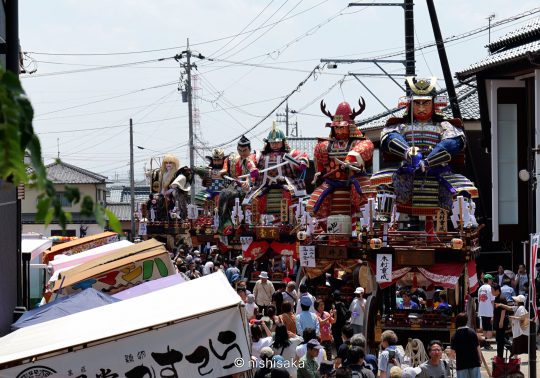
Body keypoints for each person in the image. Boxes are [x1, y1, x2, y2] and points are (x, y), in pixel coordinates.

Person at [371, 77, 478, 220]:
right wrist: (408, 152)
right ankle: (382, 223)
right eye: (417, 103)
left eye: (426, 103)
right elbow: (388, 137)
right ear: (410, 104)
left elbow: (454, 142)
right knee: (383, 183)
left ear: (434, 103)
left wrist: (428, 161)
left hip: (439, 172)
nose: (421, 108)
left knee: (464, 190)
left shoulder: (444, 125)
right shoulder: (401, 126)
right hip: (407, 173)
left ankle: (465, 226)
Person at [308, 99, 374, 224]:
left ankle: (364, 228)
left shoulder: (359, 142)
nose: (339, 131)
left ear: (350, 127)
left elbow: (366, 148)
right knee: (313, 204)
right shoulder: (323, 145)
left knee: (366, 198)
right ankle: (323, 231)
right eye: (337, 127)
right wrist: (320, 172)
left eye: (342, 127)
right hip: (331, 183)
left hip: (354, 181)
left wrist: (350, 160)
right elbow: (320, 164)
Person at [243, 122, 309, 218]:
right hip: (263, 185)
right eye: (272, 142)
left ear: (283, 142)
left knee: (293, 198)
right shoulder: (260, 155)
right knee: (253, 200)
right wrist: (252, 168)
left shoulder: (290, 153)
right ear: (268, 143)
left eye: (277, 142)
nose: (275, 145)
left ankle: (291, 221)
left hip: (287, 184)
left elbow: (302, 157)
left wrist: (302, 163)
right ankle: (256, 222)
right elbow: (250, 159)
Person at [450, 312, 481, 378]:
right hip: (474, 362)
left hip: (461, 364)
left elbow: (452, 354)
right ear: (467, 321)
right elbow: (478, 347)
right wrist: (480, 359)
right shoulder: (472, 332)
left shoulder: (455, 335)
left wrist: (451, 363)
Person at [477, 273, 495, 349]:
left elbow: (478, 300)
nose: (492, 281)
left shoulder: (480, 288)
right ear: (488, 280)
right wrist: (493, 312)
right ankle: (487, 343)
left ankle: (484, 343)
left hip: (482, 310)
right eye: (491, 279)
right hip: (489, 310)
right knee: (489, 328)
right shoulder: (490, 288)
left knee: (484, 328)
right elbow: (492, 301)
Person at [492, 283, 509, 359]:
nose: (491, 292)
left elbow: (503, 311)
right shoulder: (496, 297)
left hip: (501, 321)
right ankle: (499, 355)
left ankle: (500, 356)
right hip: (497, 320)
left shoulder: (502, 298)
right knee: (499, 339)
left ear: (497, 290)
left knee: (500, 340)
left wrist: (501, 321)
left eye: (493, 290)